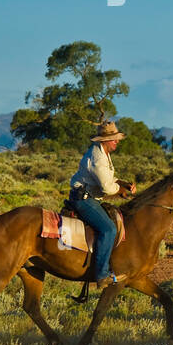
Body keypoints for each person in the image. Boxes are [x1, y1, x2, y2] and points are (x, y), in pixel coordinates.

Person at [67, 120, 137, 286]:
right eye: (114, 139)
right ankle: (101, 274)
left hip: (89, 197)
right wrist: (120, 190)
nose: (117, 141)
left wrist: (122, 182)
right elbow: (106, 187)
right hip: (84, 199)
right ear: (104, 141)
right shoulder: (98, 158)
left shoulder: (103, 153)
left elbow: (108, 179)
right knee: (109, 229)